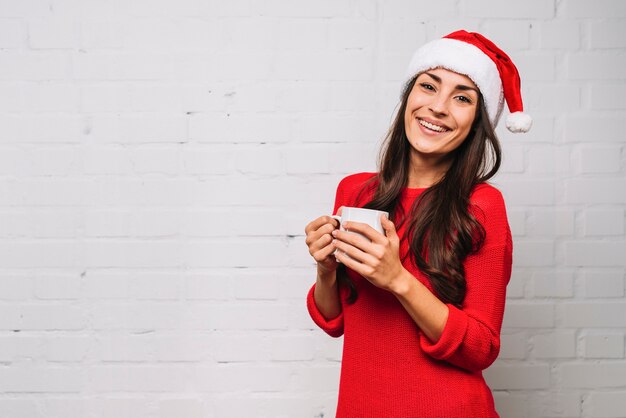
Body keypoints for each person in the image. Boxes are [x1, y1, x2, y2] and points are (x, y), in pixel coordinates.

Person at [304, 30, 531, 418]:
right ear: (409, 96)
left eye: (462, 97)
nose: (438, 107)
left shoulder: (482, 205)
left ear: (477, 121)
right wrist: (326, 268)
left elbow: (481, 347)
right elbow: (335, 322)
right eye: (428, 86)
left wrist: (397, 279)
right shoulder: (356, 191)